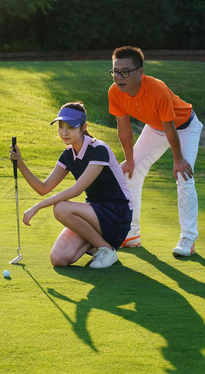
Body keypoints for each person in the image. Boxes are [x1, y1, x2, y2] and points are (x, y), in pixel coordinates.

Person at [9, 102, 133, 269]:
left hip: (117, 214)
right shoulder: (68, 154)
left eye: (71, 127)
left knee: (61, 208)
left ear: (83, 127)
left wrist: (37, 207)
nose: (64, 132)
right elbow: (43, 188)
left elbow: (76, 190)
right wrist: (20, 163)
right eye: (61, 126)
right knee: (59, 258)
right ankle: (98, 244)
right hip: (94, 215)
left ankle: (106, 249)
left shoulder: (98, 149)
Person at [108, 46, 203, 257]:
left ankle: (188, 238)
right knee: (129, 172)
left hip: (185, 127)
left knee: (183, 175)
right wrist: (130, 160)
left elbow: (171, 128)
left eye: (125, 72)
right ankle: (131, 234)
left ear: (139, 72)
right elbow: (124, 128)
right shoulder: (114, 92)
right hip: (155, 128)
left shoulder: (157, 89)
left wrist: (178, 160)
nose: (119, 77)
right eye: (115, 71)